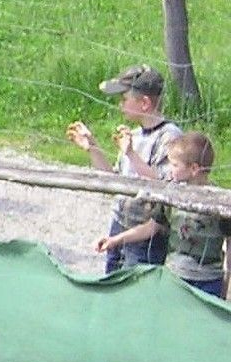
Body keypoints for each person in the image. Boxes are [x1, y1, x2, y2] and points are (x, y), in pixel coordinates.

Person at [69, 64, 182, 274]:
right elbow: (116, 180)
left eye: (124, 99)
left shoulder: (169, 137)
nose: (120, 105)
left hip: (146, 234)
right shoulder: (134, 135)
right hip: (120, 223)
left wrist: (131, 154)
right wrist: (92, 147)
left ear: (145, 103)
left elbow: (165, 185)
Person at [97, 132, 229, 298]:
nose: (170, 169)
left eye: (174, 165)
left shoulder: (220, 202)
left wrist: (226, 280)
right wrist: (115, 240)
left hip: (208, 281)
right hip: (174, 276)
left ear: (194, 168)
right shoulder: (170, 194)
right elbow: (153, 226)